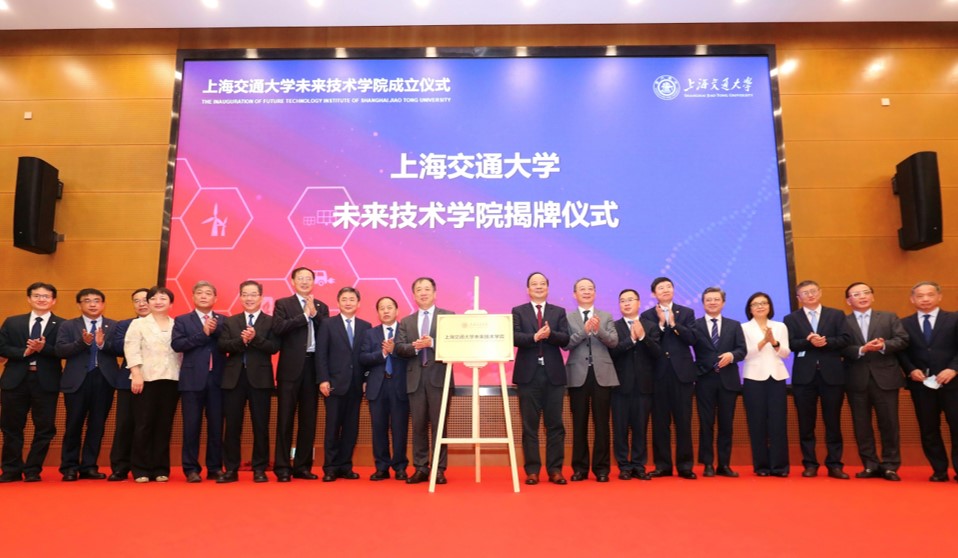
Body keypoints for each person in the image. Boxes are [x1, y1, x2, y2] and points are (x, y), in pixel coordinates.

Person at [783, 280, 852, 479]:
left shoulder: (836, 314)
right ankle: (810, 463)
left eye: (813, 291)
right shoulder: (791, 318)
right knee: (806, 423)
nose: (810, 295)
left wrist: (826, 341)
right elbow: (790, 344)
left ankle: (835, 464)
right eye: (805, 293)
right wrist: (809, 342)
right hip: (804, 377)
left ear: (820, 292)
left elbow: (846, 339)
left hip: (832, 375)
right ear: (799, 298)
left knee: (833, 422)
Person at [841, 282, 909, 481]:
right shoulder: (842, 322)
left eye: (865, 293)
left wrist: (883, 345)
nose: (862, 297)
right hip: (856, 379)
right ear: (848, 301)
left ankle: (890, 466)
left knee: (889, 424)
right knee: (861, 425)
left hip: (885, 379)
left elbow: (903, 340)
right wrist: (862, 350)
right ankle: (870, 465)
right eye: (856, 294)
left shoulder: (889, 317)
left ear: (872, 296)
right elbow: (839, 347)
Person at [511, 272, 571, 485]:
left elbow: (565, 339)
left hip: (553, 375)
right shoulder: (518, 311)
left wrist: (550, 334)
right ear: (528, 289)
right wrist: (534, 337)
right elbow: (513, 337)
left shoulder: (558, 311)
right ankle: (532, 471)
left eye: (542, 283)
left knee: (555, 425)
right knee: (530, 426)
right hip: (528, 376)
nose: (538, 286)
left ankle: (555, 470)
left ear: (547, 287)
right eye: (534, 284)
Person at [0, 282, 63, 483]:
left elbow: (64, 351)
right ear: (29, 298)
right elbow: (2, 347)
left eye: (46, 296)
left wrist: (43, 348)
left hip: (46, 381)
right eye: (37, 296)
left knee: (45, 428)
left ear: (53, 300)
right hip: (15, 380)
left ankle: (33, 469)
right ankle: (11, 469)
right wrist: (24, 352)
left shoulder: (63, 324)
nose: (41, 299)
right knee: (11, 426)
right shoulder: (12, 322)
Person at [217, 280, 279, 483]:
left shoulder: (270, 321)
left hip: (260, 380)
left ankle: (260, 468)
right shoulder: (231, 321)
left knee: (260, 426)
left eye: (253, 294)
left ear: (261, 297)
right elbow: (222, 345)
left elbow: (274, 347)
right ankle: (231, 469)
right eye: (245, 294)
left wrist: (255, 338)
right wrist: (241, 341)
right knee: (232, 426)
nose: (249, 298)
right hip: (234, 379)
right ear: (240, 297)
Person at [395, 277, 455, 485]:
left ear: (435, 293)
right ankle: (421, 467)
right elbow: (399, 348)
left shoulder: (448, 317)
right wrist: (416, 347)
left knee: (439, 426)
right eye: (419, 290)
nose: (423, 293)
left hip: (440, 378)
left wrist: (433, 343)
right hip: (415, 380)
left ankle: (439, 469)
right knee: (418, 426)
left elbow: (455, 343)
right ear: (413, 295)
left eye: (427, 289)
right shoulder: (406, 321)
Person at [55, 288, 119, 481]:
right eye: (87, 300)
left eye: (97, 300)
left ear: (103, 304)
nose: (92, 304)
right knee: (73, 424)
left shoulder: (113, 325)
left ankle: (89, 467)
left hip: (104, 379)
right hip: (77, 381)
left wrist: (101, 344)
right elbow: (60, 350)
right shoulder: (68, 325)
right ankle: (69, 467)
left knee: (97, 425)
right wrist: (82, 343)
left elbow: (121, 349)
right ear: (79, 304)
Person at [272, 267, 329, 482]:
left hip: (313, 367)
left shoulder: (321, 306)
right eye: (301, 279)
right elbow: (279, 328)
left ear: (314, 282)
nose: (305, 282)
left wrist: (314, 315)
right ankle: (282, 467)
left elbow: (328, 332)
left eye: (308, 279)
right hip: (290, 369)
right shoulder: (283, 304)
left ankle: (302, 466)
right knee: (285, 418)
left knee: (308, 420)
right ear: (293, 282)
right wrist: (304, 316)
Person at [897, 281, 958, 482]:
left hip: (953, 383)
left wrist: (953, 368)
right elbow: (901, 352)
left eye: (930, 295)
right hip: (921, 385)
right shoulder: (904, 323)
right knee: (928, 428)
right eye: (920, 296)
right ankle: (939, 470)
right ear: (912, 299)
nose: (925, 299)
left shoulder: (954, 319)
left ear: (939, 297)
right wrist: (911, 369)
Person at [640, 277, 698, 479]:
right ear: (653, 293)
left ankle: (685, 466)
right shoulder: (647, 315)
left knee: (684, 421)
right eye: (660, 288)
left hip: (682, 374)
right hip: (658, 374)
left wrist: (673, 323)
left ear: (673, 290)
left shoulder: (686, 312)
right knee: (660, 423)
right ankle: (663, 465)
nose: (665, 290)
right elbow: (649, 342)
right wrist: (661, 324)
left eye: (668, 287)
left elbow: (692, 339)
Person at [124, 286, 182, 483]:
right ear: (148, 302)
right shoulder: (138, 324)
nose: (158, 302)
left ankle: (160, 468)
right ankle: (140, 468)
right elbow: (131, 349)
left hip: (172, 378)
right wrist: (136, 373)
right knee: (144, 424)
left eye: (163, 298)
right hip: (145, 379)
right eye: (154, 298)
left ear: (171, 303)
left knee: (164, 425)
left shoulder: (177, 324)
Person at [171, 281, 227, 483]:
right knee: (191, 426)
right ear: (193, 297)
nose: (204, 296)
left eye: (208, 293)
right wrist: (203, 334)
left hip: (218, 380)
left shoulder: (224, 321)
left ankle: (215, 467)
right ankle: (191, 468)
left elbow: (227, 344)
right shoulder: (182, 320)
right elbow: (177, 345)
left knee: (216, 427)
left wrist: (215, 331)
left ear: (215, 298)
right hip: (192, 380)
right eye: (200, 293)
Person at [564, 278, 618, 482]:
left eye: (590, 289)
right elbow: (566, 344)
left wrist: (598, 330)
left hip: (602, 375)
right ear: (574, 294)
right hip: (577, 375)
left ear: (595, 293)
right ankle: (580, 468)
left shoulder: (606, 316)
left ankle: (602, 469)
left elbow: (614, 341)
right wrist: (583, 332)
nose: (586, 292)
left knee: (602, 424)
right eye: (582, 289)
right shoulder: (568, 317)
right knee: (579, 423)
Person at [316, 287, 370, 482]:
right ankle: (330, 467)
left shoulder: (366, 326)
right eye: (344, 299)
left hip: (356, 385)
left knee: (350, 428)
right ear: (338, 303)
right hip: (333, 384)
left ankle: (345, 466)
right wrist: (323, 379)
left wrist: (366, 379)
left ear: (358, 303)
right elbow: (321, 354)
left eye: (352, 299)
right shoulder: (328, 324)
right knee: (332, 427)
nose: (348, 302)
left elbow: (367, 356)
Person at [692, 287, 746, 478]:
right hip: (704, 379)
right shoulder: (695, 325)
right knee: (706, 423)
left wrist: (732, 355)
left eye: (716, 299)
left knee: (726, 424)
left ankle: (724, 464)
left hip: (728, 381)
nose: (712, 302)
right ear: (703, 303)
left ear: (723, 302)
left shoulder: (734, 325)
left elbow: (742, 350)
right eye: (708, 300)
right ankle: (707, 463)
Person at [609, 288, 660, 481]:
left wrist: (643, 337)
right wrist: (631, 339)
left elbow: (657, 353)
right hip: (620, 386)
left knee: (640, 428)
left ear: (639, 303)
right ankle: (624, 466)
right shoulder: (614, 327)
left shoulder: (651, 326)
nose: (626, 303)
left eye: (630, 300)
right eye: (623, 300)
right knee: (620, 429)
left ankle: (639, 465)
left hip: (644, 386)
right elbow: (612, 353)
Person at [359, 296, 410, 481]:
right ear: (378, 312)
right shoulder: (370, 333)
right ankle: (381, 467)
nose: (386, 311)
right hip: (377, 387)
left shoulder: (405, 332)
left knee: (399, 428)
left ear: (397, 311)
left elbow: (411, 355)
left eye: (389, 307)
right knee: (379, 429)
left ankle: (400, 466)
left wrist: (394, 350)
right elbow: (363, 358)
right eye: (382, 308)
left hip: (400, 386)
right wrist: (382, 353)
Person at [741, 292, 790, 477]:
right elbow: (744, 354)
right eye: (755, 304)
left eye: (764, 303)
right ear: (750, 309)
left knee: (778, 422)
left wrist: (774, 342)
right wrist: (763, 341)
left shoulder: (780, 326)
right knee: (757, 422)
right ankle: (761, 466)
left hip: (777, 377)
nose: (760, 306)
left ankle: (779, 466)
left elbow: (785, 353)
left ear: (770, 306)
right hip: (753, 378)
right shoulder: (743, 328)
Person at [106, 288, 149, 481]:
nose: (141, 303)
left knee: (147, 425)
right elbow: (116, 347)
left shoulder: (165, 325)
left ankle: (146, 466)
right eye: (136, 300)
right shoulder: (124, 324)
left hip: (157, 381)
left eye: (145, 299)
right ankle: (120, 467)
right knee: (125, 424)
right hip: (128, 381)